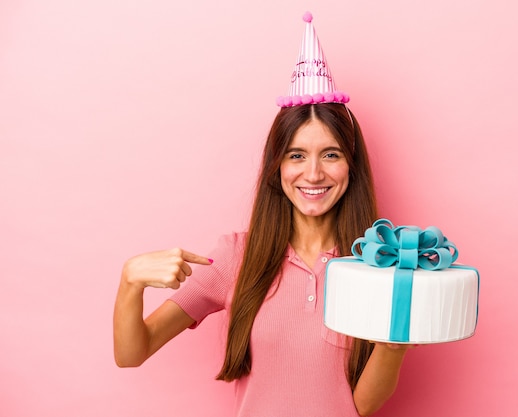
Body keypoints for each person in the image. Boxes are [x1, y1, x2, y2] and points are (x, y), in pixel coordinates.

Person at [113, 13, 413, 417]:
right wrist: (131, 280)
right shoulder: (236, 255)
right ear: (278, 166)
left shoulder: (376, 265)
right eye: (296, 156)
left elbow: (359, 405)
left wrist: (394, 343)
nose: (313, 174)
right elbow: (132, 353)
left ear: (351, 166)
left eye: (330, 155)